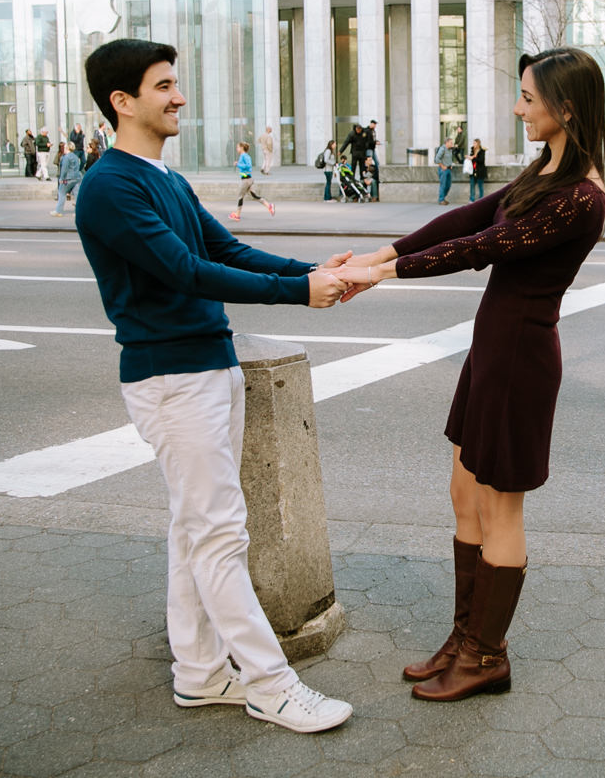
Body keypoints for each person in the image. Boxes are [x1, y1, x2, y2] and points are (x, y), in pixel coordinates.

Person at [74, 38, 353, 734]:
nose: (180, 97)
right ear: (122, 101)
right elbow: (184, 271)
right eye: (165, 85)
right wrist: (301, 290)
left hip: (206, 367)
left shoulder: (162, 176)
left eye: (176, 83)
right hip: (171, 379)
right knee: (221, 535)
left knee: (193, 530)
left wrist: (317, 271)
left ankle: (199, 673)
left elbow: (224, 250)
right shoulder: (110, 186)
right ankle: (270, 683)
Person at [334, 46, 605, 703]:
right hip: (491, 351)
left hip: (520, 359)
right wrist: (385, 249)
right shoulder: (547, 171)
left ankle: (488, 655)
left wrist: (382, 275)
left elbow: (482, 249)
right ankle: (464, 637)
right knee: (463, 494)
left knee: (499, 505)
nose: (517, 108)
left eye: (527, 98)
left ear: (564, 109)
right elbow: (471, 217)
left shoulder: (580, 197)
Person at [230, 141, 275, 221]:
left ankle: (237, 215)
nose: (237, 149)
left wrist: (238, 164)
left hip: (246, 180)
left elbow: (248, 166)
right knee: (254, 196)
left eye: (237, 147)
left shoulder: (244, 156)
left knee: (240, 196)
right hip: (248, 179)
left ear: (241, 148)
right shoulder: (244, 156)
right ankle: (269, 206)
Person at [52, 142, 83, 217]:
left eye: (65, 147)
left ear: (67, 148)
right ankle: (79, 212)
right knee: (77, 194)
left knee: (61, 192)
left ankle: (58, 211)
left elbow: (64, 169)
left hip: (68, 179)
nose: (64, 149)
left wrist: (61, 179)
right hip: (76, 178)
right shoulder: (75, 157)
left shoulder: (66, 157)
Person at [434, 136, 459, 205]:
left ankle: (443, 198)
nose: (452, 144)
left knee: (448, 185)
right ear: (447, 142)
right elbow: (436, 159)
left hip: (448, 169)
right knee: (443, 185)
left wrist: (450, 165)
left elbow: (449, 159)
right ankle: (441, 199)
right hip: (443, 170)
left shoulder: (450, 150)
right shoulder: (442, 149)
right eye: (451, 143)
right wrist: (442, 166)